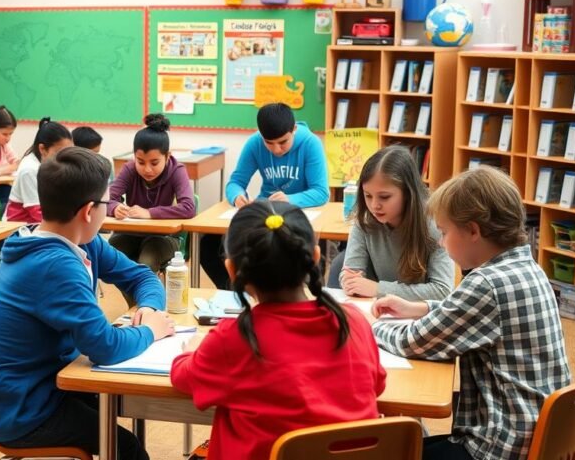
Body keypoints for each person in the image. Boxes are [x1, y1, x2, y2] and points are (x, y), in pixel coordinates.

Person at [0, 147, 173, 460]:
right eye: (108, 203)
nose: (110, 209)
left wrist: (147, 307)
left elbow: (140, 276)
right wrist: (150, 331)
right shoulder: (54, 265)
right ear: (88, 211)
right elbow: (104, 346)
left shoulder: (79, 238)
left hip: (50, 383)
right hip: (24, 410)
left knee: (123, 402)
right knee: (128, 449)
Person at [372, 167, 571, 460]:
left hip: (499, 446)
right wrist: (421, 307)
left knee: (391, 452)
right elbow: (474, 314)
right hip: (537, 435)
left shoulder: (485, 283)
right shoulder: (526, 267)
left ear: (474, 231)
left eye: (444, 232)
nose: (441, 242)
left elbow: (414, 342)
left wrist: (369, 326)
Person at [172, 200, 385, 460]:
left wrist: (190, 351)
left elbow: (183, 379)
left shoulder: (234, 338)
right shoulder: (353, 322)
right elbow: (377, 384)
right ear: (315, 257)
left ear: (231, 269)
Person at [199, 103, 328, 289]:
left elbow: (321, 192)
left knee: (292, 251)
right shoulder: (255, 143)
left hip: (298, 216)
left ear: (294, 130)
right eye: (269, 143)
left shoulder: (310, 143)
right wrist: (237, 197)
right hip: (264, 212)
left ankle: (295, 295)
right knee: (208, 245)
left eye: (283, 142)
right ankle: (235, 292)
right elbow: (235, 182)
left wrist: (290, 199)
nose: (276, 149)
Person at [333, 146, 454, 301]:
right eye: (368, 196)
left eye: (384, 197)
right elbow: (352, 273)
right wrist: (348, 281)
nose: (374, 205)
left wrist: (378, 289)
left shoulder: (436, 225)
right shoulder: (365, 220)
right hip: (376, 312)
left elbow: (442, 290)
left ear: (408, 193)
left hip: (419, 317)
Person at [107, 113, 195, 283]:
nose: (147, 169)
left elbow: (189, 207)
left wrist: (150, 213)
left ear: (167, 156)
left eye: (154, 163)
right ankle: (138, 305)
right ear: (134, 157)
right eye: (140, 162)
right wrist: (114, 207)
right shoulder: (130, 169)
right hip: (131, 234)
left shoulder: (177, 170)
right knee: (109, 258)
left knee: (145, 264)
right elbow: (105, 200)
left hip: (164, 237)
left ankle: (145, 305)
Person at [4, 118, 72, 223]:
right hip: (20, 229)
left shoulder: (51, 165)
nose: (64, 158)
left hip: (40, 225)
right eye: (58, 153)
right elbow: (37, 213)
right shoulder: (29, 170)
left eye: (68, 152)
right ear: (42, 149)